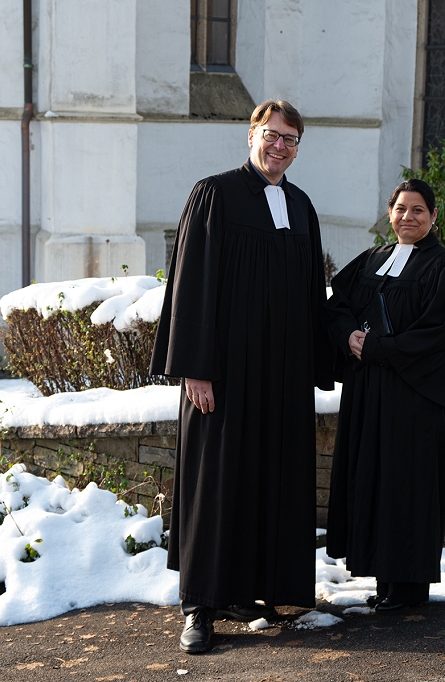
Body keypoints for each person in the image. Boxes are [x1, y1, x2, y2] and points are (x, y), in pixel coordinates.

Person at [150, 100, 334, 653]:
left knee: (267, 476)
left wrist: (316, 362)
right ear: (251, 135)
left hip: (280, 376)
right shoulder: (215, 194)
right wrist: (195, 368)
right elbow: (191, 284)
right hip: (224, 373)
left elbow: (311, 291)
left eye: (290, 139)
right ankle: (200, 606)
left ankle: (250, 591)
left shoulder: (300, 205)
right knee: (216, 480)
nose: (280, 146)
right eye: (271, 135)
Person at [325, 178, 445, 611]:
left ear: (434, 216)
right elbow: (336, 305)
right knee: (374, 481)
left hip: (414, 397)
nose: (408, 217)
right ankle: (384, 578)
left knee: (407, 484)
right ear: (390, 213)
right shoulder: (372, 259)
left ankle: (409, 587)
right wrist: (348, 336)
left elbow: (438, 333)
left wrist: (376, 348)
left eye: (418, 210)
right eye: (401, 209)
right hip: (368, 392)